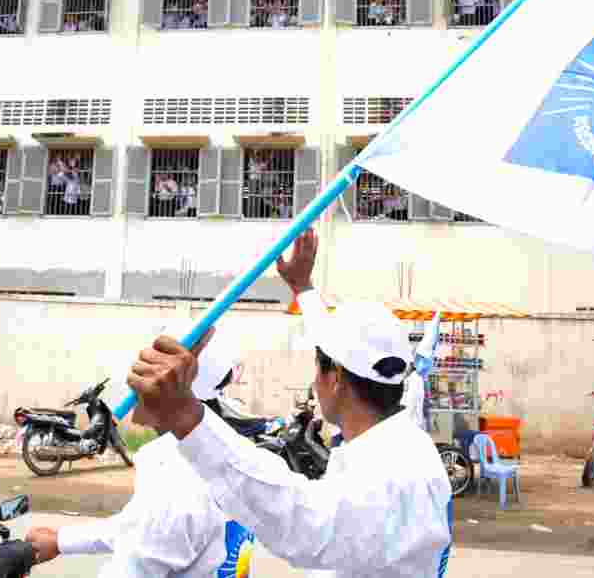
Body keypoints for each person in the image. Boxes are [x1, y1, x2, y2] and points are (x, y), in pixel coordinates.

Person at [127, 227, 452, 577]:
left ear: (336, 378)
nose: (314, 380)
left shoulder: (381, 475)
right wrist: (303, 288)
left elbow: (293, 516)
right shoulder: (405, 442)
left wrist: (187, 417)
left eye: (317, 365)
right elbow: (337, 347)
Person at [26, 325, 259, 576]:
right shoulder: (227, 450)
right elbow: (143, 529)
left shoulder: (177, 475)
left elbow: (139, 558)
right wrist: (61, 541)